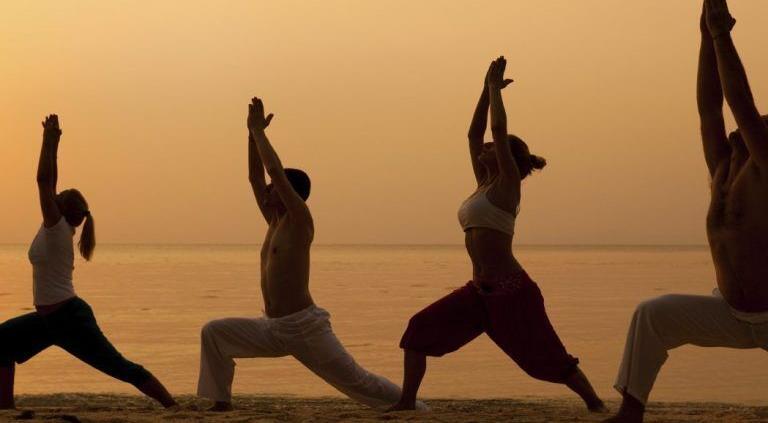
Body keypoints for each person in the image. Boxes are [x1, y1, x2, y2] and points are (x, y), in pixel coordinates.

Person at [387, 57, 605, 412]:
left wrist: (495, 91)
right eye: (486, 147)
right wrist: (484, 91)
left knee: (546, 359)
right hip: (478, 292)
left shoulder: (507, 185)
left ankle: (595, 403)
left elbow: (498, 131)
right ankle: (407, 402)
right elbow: (473, 135)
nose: (485, 147)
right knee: (418, 330)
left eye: (492, 148)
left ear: (507, 159)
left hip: (512, 292)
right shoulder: (482, 184)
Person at [196, 97, 426, 412]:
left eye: (274, 187)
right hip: (273, 327)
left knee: (357, 381)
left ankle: (412, 407)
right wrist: (250, 135)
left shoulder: (299, 221)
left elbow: (273, 171)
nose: (267, 189)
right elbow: (255, 177)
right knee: (214, 332)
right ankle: (221, 403)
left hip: (303, 327)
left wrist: (261, 133)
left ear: (289, 193)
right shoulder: (274, 221)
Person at [604, 2, 768, 422]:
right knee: (651, 316)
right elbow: (709, 109)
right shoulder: (723, 170)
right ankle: (631, 412)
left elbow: (741, 104)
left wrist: (721, 35)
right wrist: (705, 36)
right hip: (731, 312)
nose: (753, 126)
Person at [0, 115, 177, 410]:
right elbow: (51, 182)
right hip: (49, 320)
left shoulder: (57, 229)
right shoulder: (58, 228)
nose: (53, 195)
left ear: (62, 209)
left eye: (58, 197)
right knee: (1, 342)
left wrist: (46, 140)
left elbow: (43, 181)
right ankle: (5, 408)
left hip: (69, 319)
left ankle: (172, 407)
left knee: (119, 367)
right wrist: (55, 143)